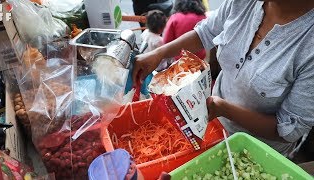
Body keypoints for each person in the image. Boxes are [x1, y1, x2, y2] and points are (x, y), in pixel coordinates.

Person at [132, 0, 314, 156]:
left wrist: (223, 109)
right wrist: (158, 54)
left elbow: (288, 129)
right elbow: (205, 33)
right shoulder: (244, 3)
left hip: (258, 152)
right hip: (213, 126)